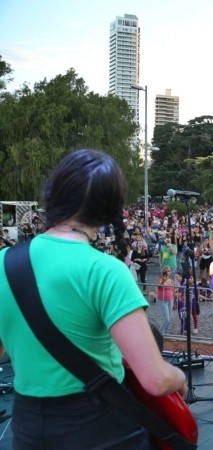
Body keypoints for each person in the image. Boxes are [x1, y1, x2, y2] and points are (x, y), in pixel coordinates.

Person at [0, 149, 186, 448]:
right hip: (99, 425)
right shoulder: (106, 271)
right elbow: (156, 379)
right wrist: (179, 377)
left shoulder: (3, 262)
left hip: (28, 425)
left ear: (54, 194)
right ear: (109, 210)